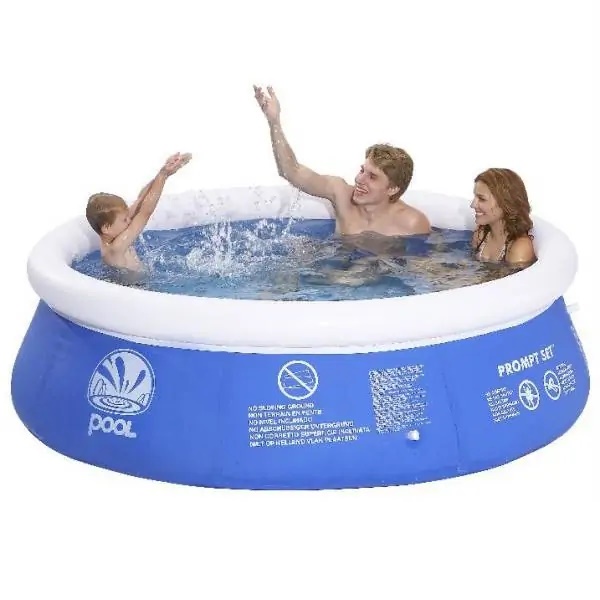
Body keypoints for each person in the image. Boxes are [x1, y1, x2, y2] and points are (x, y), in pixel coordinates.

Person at [253, 85, 431, 238]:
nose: (359, 179)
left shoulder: (412, 222)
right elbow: (291, 171)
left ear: (392, 189)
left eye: (372, 177)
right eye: (362, 171)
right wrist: (274, 122)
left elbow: (425, 261)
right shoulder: (341, 194)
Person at [85, 152, 192, 273]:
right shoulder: (115, 249)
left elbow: (141, 200)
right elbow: (145, 212)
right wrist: (162, 176)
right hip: (138, 284)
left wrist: (164, 172)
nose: (129, 220)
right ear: (106, 228)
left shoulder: (114, 229)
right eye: (124, 219)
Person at [470, 168, 536, 266]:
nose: (473, 205)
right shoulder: (481, 233)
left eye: (482, 199)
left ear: (505, 203)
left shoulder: (519, 249)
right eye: (475, 197)